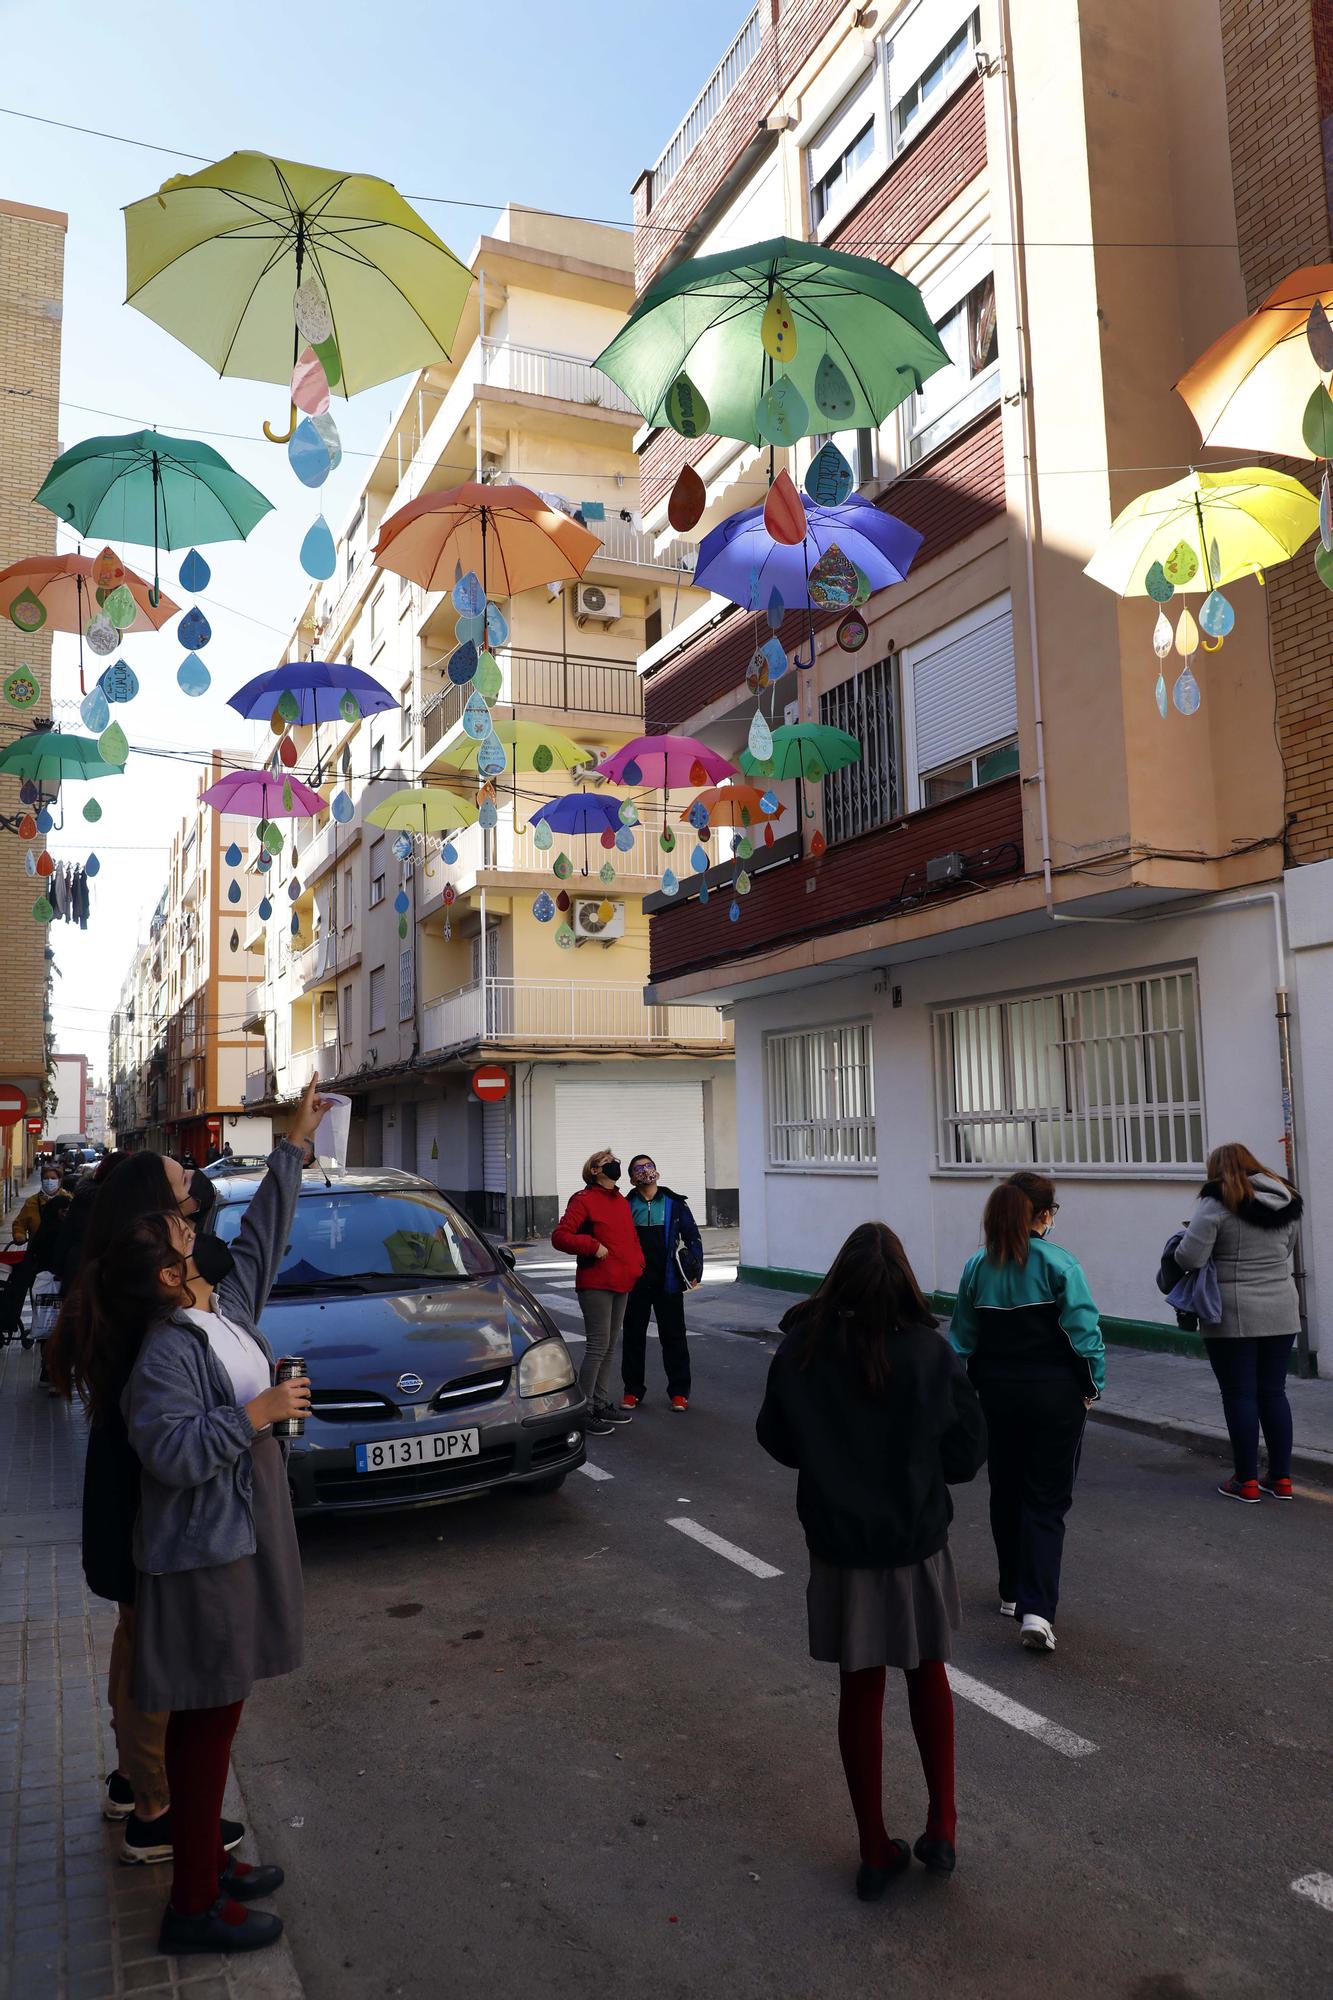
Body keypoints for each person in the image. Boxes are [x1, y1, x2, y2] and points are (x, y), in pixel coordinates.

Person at [111, 1077, 326, 1955]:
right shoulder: (165, 1348)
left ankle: (207, 1859)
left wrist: (296, 1145)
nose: (199, 1230)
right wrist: (260, 1414)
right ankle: (192, 1902)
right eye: (185, 1230)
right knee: (207, 1722)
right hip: (204, 1557)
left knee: (218, 1719)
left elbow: (263, 1238)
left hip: (240, 1540)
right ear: (167, 1270)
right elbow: (169, 1451)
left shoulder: (220, 1311)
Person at [757, 1223, 986, 1899]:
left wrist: (830, 1458)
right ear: (905, 1282)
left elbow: (776, 1438)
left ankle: (871, 1849)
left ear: (838, 1279)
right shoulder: (928, 1351)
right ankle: (941, 1824)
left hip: (839, 1546)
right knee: (927, 1674)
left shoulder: (802, 1348)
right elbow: (966, 1455)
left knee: (859, 1687)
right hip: (914, 1543)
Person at [50, 1150, 245, 1866]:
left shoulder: (122, 1269)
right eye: (181, 1178)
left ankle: (134, 1784)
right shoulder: (154, 1282)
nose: (196, 1181)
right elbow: (222, 1256)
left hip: (121, 1490)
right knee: (154, 1659)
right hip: (144, 1501)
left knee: (137, 1648)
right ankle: (156, 1812)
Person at [949, 1172, 1104, 1655]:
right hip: (1055, 1398)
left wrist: (960, 1395)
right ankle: (1038, 1612)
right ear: (1041, 1215)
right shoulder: (1061, 1264)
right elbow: (1085, 1336)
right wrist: (1091, 1389)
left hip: (996, 1396)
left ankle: (1011, 1592)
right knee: (1046, 1501)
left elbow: (960, 1341)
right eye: (1053, 1211)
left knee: (1006, 1490)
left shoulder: (977, 1266)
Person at [1171, 1143, 1303, 1503]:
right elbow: (1287, 1248)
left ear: (1217, 1171)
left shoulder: (1216, 1203)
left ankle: (1244, 1480)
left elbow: (1191, 1257)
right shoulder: (1288, 1200)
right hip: (1281, 1310)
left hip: (1231, 1315)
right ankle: (1281, 1479)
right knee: (1274, 1393)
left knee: (1239, 1394)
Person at [552, 1148, 645, 1439]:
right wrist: (592, 1246)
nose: (615, 1165)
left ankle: (601, 1403)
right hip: (596, 1283)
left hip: (622, 1281)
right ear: (594, 1170)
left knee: (609, 1346)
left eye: (615, 1161)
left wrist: (637, 1265)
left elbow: (630, 1237)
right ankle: (585, 1408)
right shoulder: (584, 1200)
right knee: (597, 1346)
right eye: (608, 1162)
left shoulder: (619, 1200)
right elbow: (561, 1236)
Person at [620, 1155, 704, 1413]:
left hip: (668, 1281)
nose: (646, 1172)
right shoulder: (625, 1205)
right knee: (633, 1337)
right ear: (632, 1178)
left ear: (657, 1170)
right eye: (639, 1169)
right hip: (636, 1283)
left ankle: (679, 1393)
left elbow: (693, 1238)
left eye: (649, 1166)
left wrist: (694, 1271)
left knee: (674, 1337)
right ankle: (632, 1391)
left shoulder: (675, 1203)